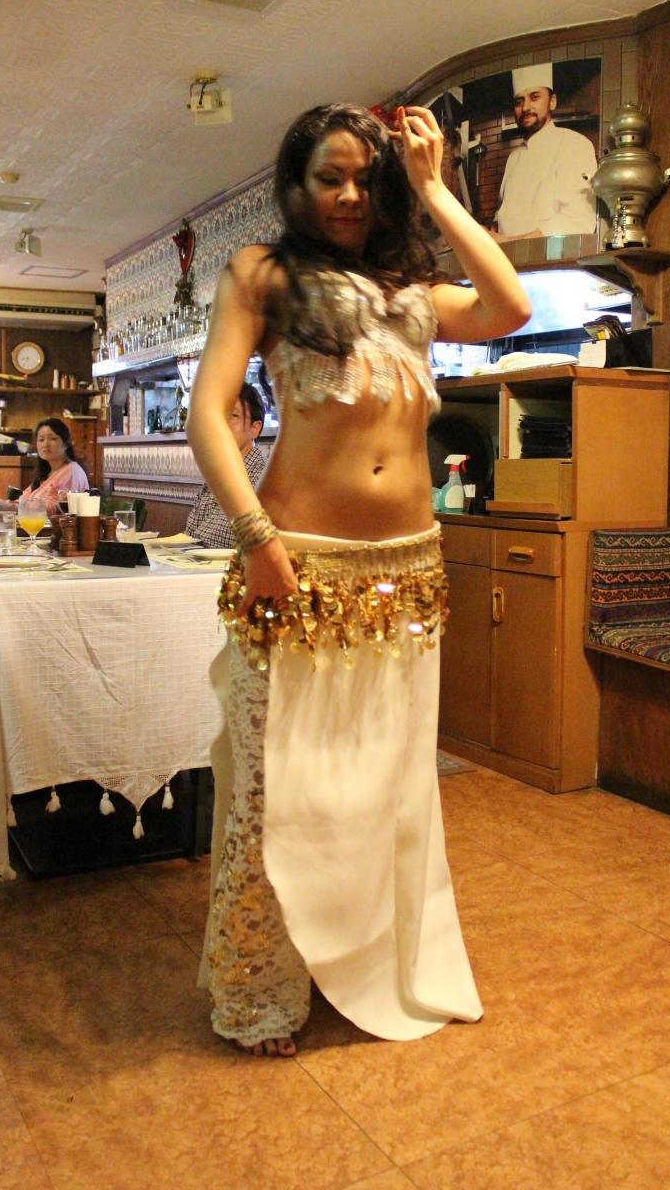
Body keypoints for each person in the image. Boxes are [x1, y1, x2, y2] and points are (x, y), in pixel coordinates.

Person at [187, 101, 530, 1057]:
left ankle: (368, 964)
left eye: (364, 180)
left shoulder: (412, 290)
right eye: (328, 177)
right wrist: (256, 537)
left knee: (385, 787)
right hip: (294, 562)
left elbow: (509, 308)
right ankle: (261, 991)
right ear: (296, 185)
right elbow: (209, 412)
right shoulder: (262, 274)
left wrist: (434, 189)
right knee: (278, 789)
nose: (347, 196)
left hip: (407, 572)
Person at [494, 64, 597, 238]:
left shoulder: (573, 144)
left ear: (552, 101)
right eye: (519, 102)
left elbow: (578, 219)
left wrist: (510, 242)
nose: (525, 107)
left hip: (550, 255)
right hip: (506, 254)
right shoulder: (513, 158)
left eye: (534, 97)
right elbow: (502, 219)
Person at [186, 382, 266, 547]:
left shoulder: (262, 479)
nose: (222, 423)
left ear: (255, 428)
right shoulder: (217, 474)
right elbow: (189, 535)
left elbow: (224, 541)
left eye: (233, 415)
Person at [25, 418, 89, 514]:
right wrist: (6, 505)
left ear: (66, 443)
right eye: (41, 440)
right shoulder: (46, 473)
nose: (45, 444)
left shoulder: (71, 471)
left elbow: (52, 508)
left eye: (53, 439)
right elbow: (23, 498)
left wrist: (16, 508)